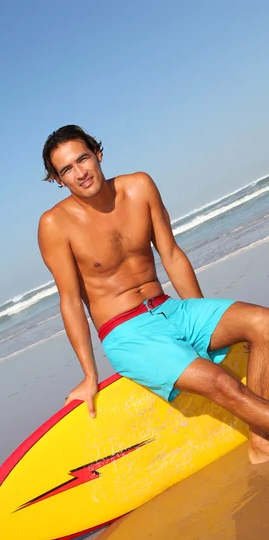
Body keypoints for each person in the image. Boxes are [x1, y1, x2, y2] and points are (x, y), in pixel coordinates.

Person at [37, 124, 269, 464]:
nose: (79, 173)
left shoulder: (139, 187)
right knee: (220, 383)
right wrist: (89, 375)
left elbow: (171, 255)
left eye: (82, 159)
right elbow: (70, 301)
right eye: (67, 170)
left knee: (262, 323)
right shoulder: (54, 225)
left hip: (171, 310)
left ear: (98, 154)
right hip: (127, 333)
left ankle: (260, 445)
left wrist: (208, 317)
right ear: (59, 180)